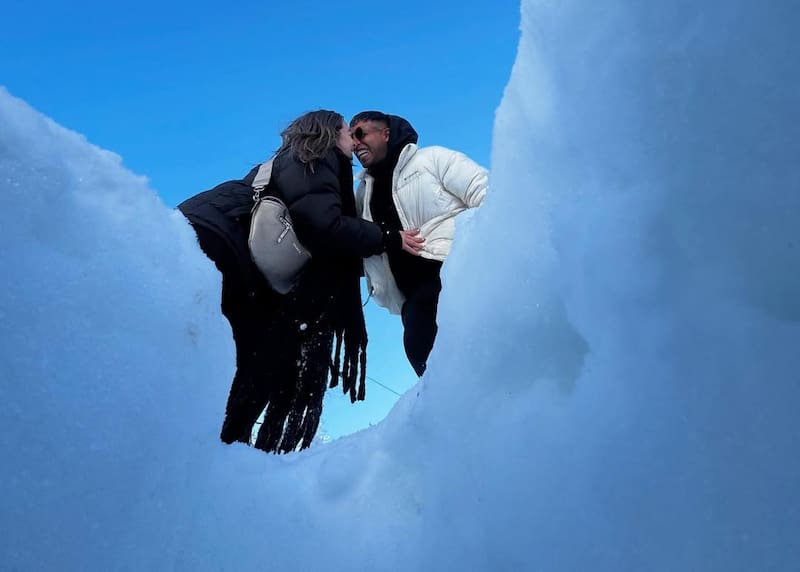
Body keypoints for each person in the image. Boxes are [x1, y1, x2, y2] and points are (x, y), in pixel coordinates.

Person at [178, 110, 422, 453]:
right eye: (347, 132)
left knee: (228, 360)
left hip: (218, 243)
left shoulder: (293, 162)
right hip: (219, 239)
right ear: (327, 131)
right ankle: (220, 447)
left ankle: (213, 449)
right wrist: (388, 238)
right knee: (255, 360)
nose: (354, 141)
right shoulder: (314, 156)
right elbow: (323, 223)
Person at [350, 111, 488, 377]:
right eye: (350, 137)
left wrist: (490, 252)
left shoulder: (432, 159)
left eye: (361, 134)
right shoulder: (363, 193)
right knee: (422, 356)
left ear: (385, 134)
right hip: (410, 299)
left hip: (454, 274)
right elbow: (358, 241)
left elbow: (484, 191)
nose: (355, 144)